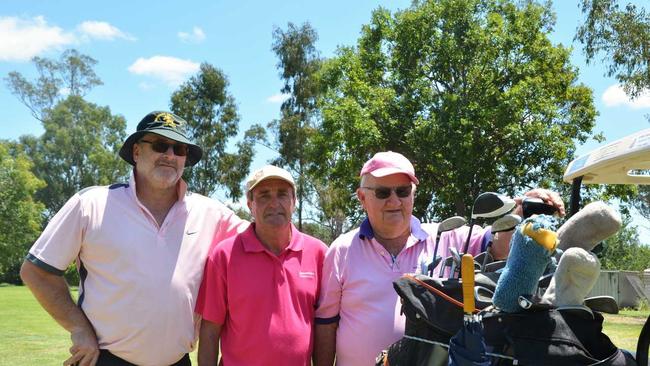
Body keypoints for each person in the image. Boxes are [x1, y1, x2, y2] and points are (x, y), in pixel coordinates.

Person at [20, 111, 249, 366]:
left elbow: (265, 241)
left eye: (179, 149)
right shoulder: (91, 204)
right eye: (160, 145)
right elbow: (36, 271)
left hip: (178, 361)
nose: (170, 155)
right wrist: (79, 328)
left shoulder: (210, 213)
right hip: (107, 360)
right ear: (137, 152)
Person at [313, 151, 565, 366]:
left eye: (402, 191)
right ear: (362, 197)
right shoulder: (342, 249)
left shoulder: (447, 236)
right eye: (382, 192)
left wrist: (522, 213)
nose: (394, 200)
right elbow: (326, 324)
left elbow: (501, 245)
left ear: (413, 194)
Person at [195, 165, 328, 366]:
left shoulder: (318, 253)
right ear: (250, 204)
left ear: (294, 201)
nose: (274, 203)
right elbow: (210, 331)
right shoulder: (224, 255)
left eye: (282, 194)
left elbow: (324, 328)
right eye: (264, 196)